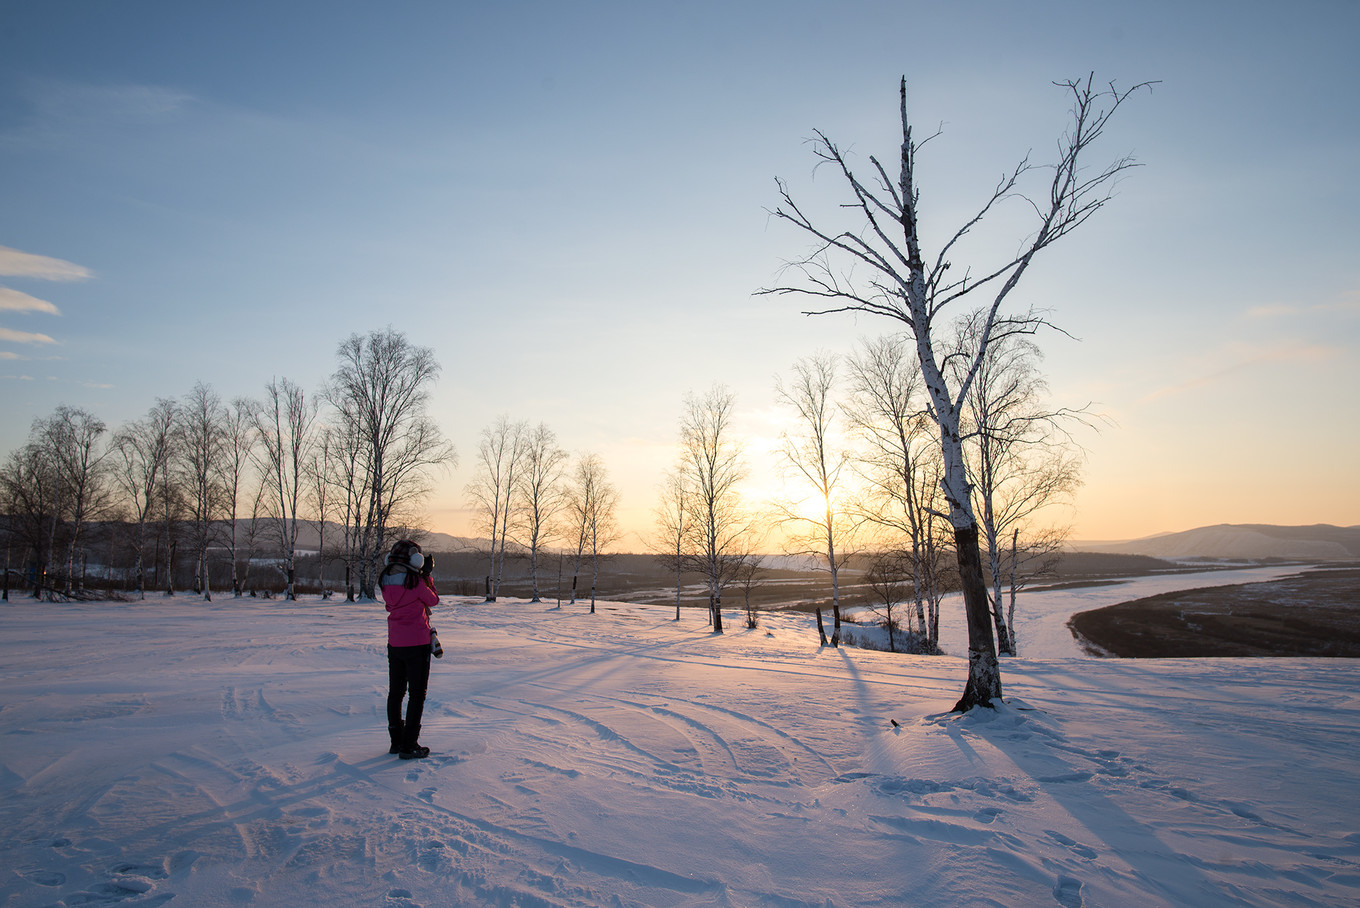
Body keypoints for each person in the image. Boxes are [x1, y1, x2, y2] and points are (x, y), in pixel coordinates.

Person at [381, 539, 438, 759]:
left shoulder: (385, 579)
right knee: (417, 694)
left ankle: (396, 740)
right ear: (415, 559)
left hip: (395, 643)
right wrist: (426, 575)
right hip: (417, 642)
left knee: (395, 693)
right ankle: (410, 743)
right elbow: (433, 600)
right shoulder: (415, 581)